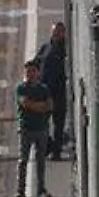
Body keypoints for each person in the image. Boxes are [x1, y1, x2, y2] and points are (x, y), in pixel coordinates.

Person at [15, 60, 53, 197]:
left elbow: (49, 106)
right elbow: (26, 104)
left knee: (40, 161)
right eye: (27, 72)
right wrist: (39, 106)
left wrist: (34, 106)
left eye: (32, 71)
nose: (29, 74)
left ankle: (41, 189)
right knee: (23, 160)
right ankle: (20, 189)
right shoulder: (21, 88)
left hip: (41, 128)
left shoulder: (44, 89)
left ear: (37, 73)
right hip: (26, 128)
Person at [34, 24, 69, 160]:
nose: (54, 35)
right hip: (44, 91)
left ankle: (56, 151)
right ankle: (48, 147)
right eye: (53, 32)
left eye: (57, 32)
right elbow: (37, 62)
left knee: (58, 123)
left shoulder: (65, 49)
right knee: (41, 122)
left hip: (59, 92)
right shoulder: (46, 47)